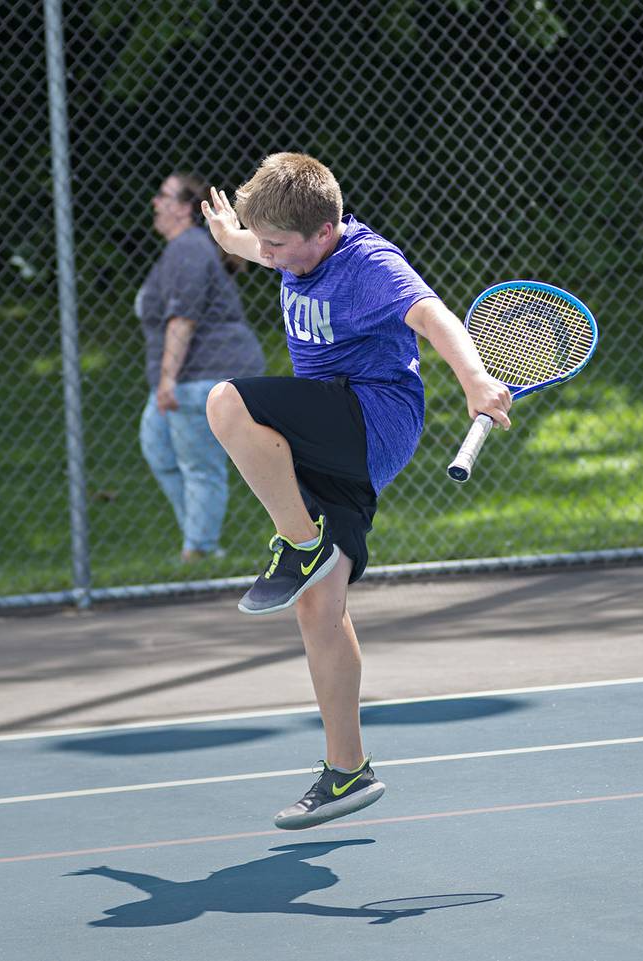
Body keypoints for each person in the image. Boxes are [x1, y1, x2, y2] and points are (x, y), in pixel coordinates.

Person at [200, 153, 512, 829]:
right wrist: (231, 235)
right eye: (267, 245)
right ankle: (348, 770)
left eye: (280, 247)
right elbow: (252, 241)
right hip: (336, 432)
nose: (271, 258)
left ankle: (298, 541)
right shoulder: (292, 242)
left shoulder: (371, 265)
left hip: (371, 415)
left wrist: (475, 379)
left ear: (324, 231)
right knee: (320, 606)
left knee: (227, 404)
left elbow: (434, 316)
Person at [137, 172, 265, 562]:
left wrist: (167, 382)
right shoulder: (182, 248)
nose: (155, 203)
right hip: (188, 376)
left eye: (163, 195)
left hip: (204, 375)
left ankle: (200, 550)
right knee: (157, 446)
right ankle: (197, 534)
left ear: (182, 208)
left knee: (199, 465)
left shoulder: (188, 248)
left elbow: (183, 319)